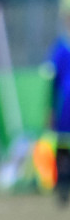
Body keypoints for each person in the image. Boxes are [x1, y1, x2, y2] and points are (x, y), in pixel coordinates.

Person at [48, 22, 70, 206]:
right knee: (63, 147)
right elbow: (52, 80)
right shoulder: (61, 47)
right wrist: (50, 110)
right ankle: (62, 186)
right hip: (65, 105)